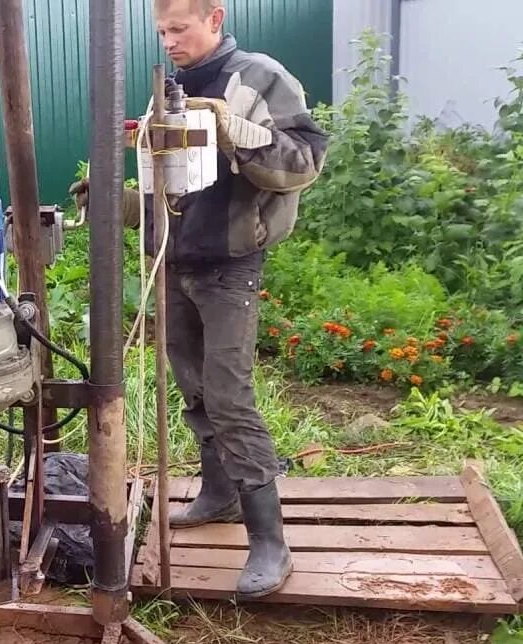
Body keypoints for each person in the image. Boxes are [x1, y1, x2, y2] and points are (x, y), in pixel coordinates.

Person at [73, 0, 328, 599]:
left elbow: (305, 162)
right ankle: (218, 494)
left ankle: (270, 540)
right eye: (161, 31)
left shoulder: (259, 77)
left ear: (215, 19)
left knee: (229, 394)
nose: (168, 41)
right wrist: (118, 201)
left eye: (179, 28)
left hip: (231, 264)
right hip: (175, 263)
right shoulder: (168, 93)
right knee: (191, 385)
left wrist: (235, 131)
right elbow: (173, 191)